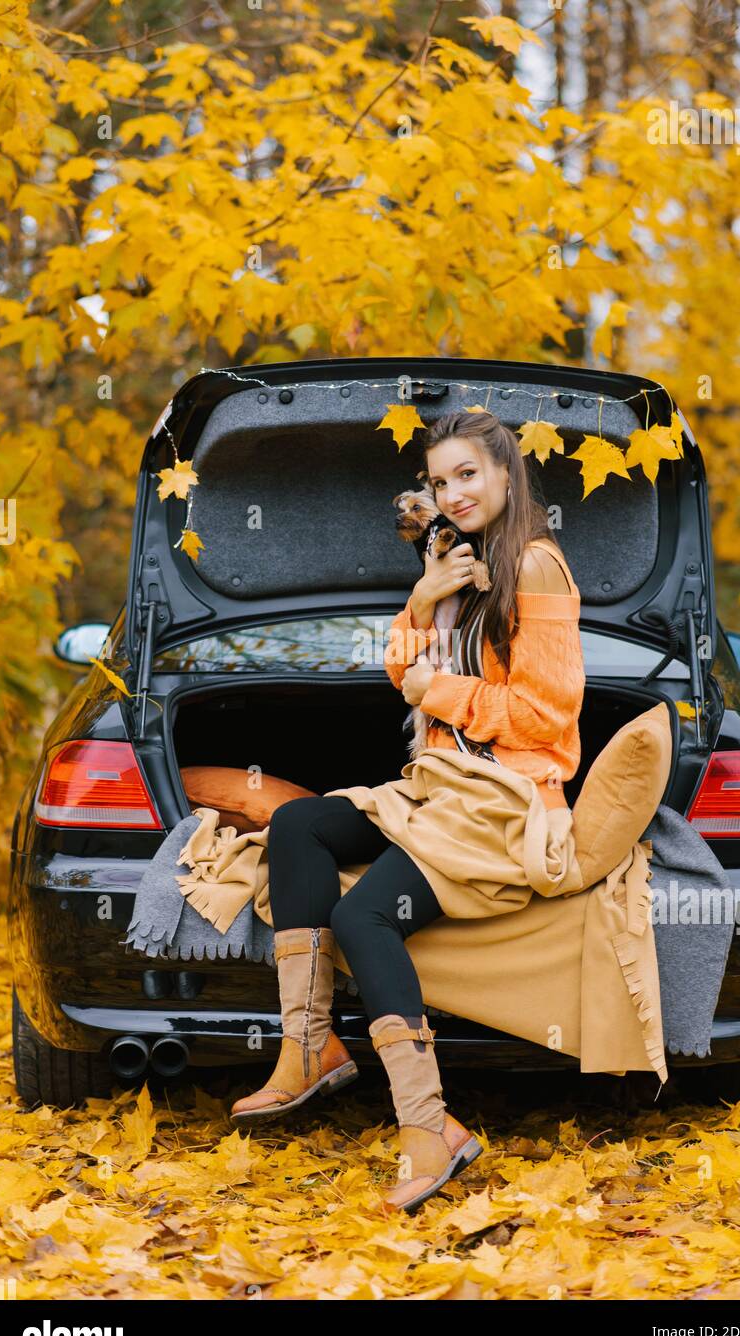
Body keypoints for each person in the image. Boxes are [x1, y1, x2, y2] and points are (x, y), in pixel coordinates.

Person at [230, 409, 585, 1215]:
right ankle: (307, 1046)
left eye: (467, 475)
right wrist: (423, 602)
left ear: (504, 476)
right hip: (439, 787)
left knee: (363, 919)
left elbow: (548, 717)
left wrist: (440, 691)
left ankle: (430, 1129)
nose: (452, 492)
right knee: (296, 825)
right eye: (438, 480)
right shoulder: (455, 563)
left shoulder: (532, 566)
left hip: (505, 801)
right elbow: (399, 669)